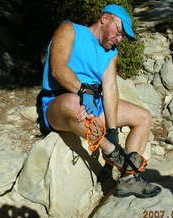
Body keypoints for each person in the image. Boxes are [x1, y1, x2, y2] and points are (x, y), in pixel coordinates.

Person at [40, 4, 161, 198]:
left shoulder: (111, 53)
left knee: (143, 117)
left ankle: (128, 179)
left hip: (92, 107)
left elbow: (110, 88)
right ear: (104, 19)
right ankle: (113, 153)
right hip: (58, 103)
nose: (118, 39)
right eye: (119, 32)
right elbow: (58, 69)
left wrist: (112, 130)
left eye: (122, 37)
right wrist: (83, 94)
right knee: (72, 103)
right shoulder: (70, 30)